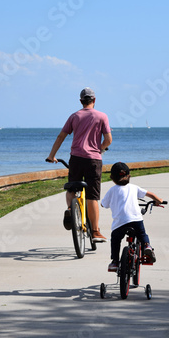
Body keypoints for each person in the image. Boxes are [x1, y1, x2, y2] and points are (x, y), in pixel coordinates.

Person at [46, 87, 112, 242]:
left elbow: (61, 136)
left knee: (72, 187)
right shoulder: (102, 116)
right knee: (92, 196)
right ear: (94, 100)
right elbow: (108, 140)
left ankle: (71, 209)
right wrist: (99, 149)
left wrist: (52, 156)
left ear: (81, 101)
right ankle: (95, 232)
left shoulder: (74, 116)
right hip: (93, 160)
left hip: (76, 158)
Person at [101, 162, 163, 272]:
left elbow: (103, 204)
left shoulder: (112, 190)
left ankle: (115, 262)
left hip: (120, 223)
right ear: (129, 176)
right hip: (136, 220)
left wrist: (104, 204)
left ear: (112, 178)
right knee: (142, 234)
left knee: (115, 239)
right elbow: (151, 195)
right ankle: (147, 247)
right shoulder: (134, 188)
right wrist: (159, 201)